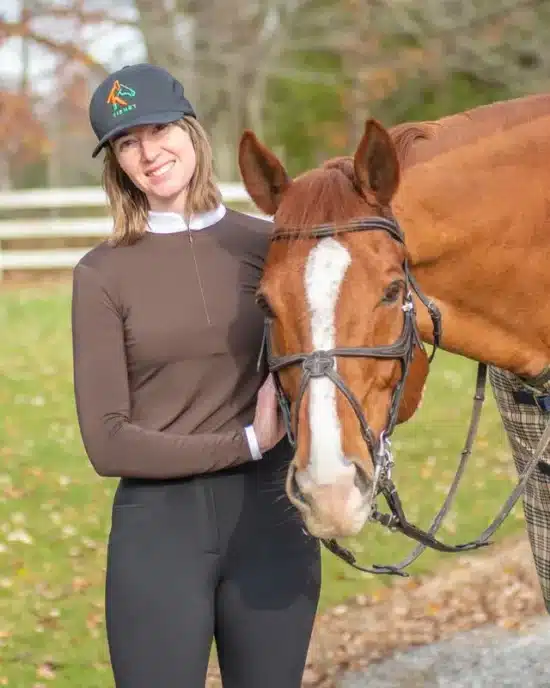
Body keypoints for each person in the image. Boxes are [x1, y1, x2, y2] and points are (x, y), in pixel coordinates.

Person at [71, 63, 321, 688]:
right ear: (116, 164)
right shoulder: (102, 274)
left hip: (272, 522)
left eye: (158, 129)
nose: (149, 153)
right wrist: (246, 442)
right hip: (159, 533)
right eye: (127, 143)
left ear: (192, 131)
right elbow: (106, 440)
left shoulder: (270, 245)